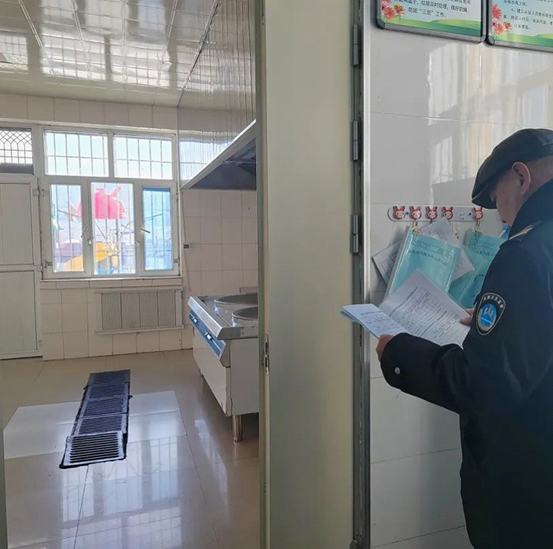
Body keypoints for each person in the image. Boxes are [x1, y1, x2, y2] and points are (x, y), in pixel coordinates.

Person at [376, 128, 553, 549]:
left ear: (521, 177)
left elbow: (486, 384)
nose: (502, 217)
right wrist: (507, 327)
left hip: (526, 488)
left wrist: (398, 353)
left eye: (497, 198)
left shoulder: (525, 253)